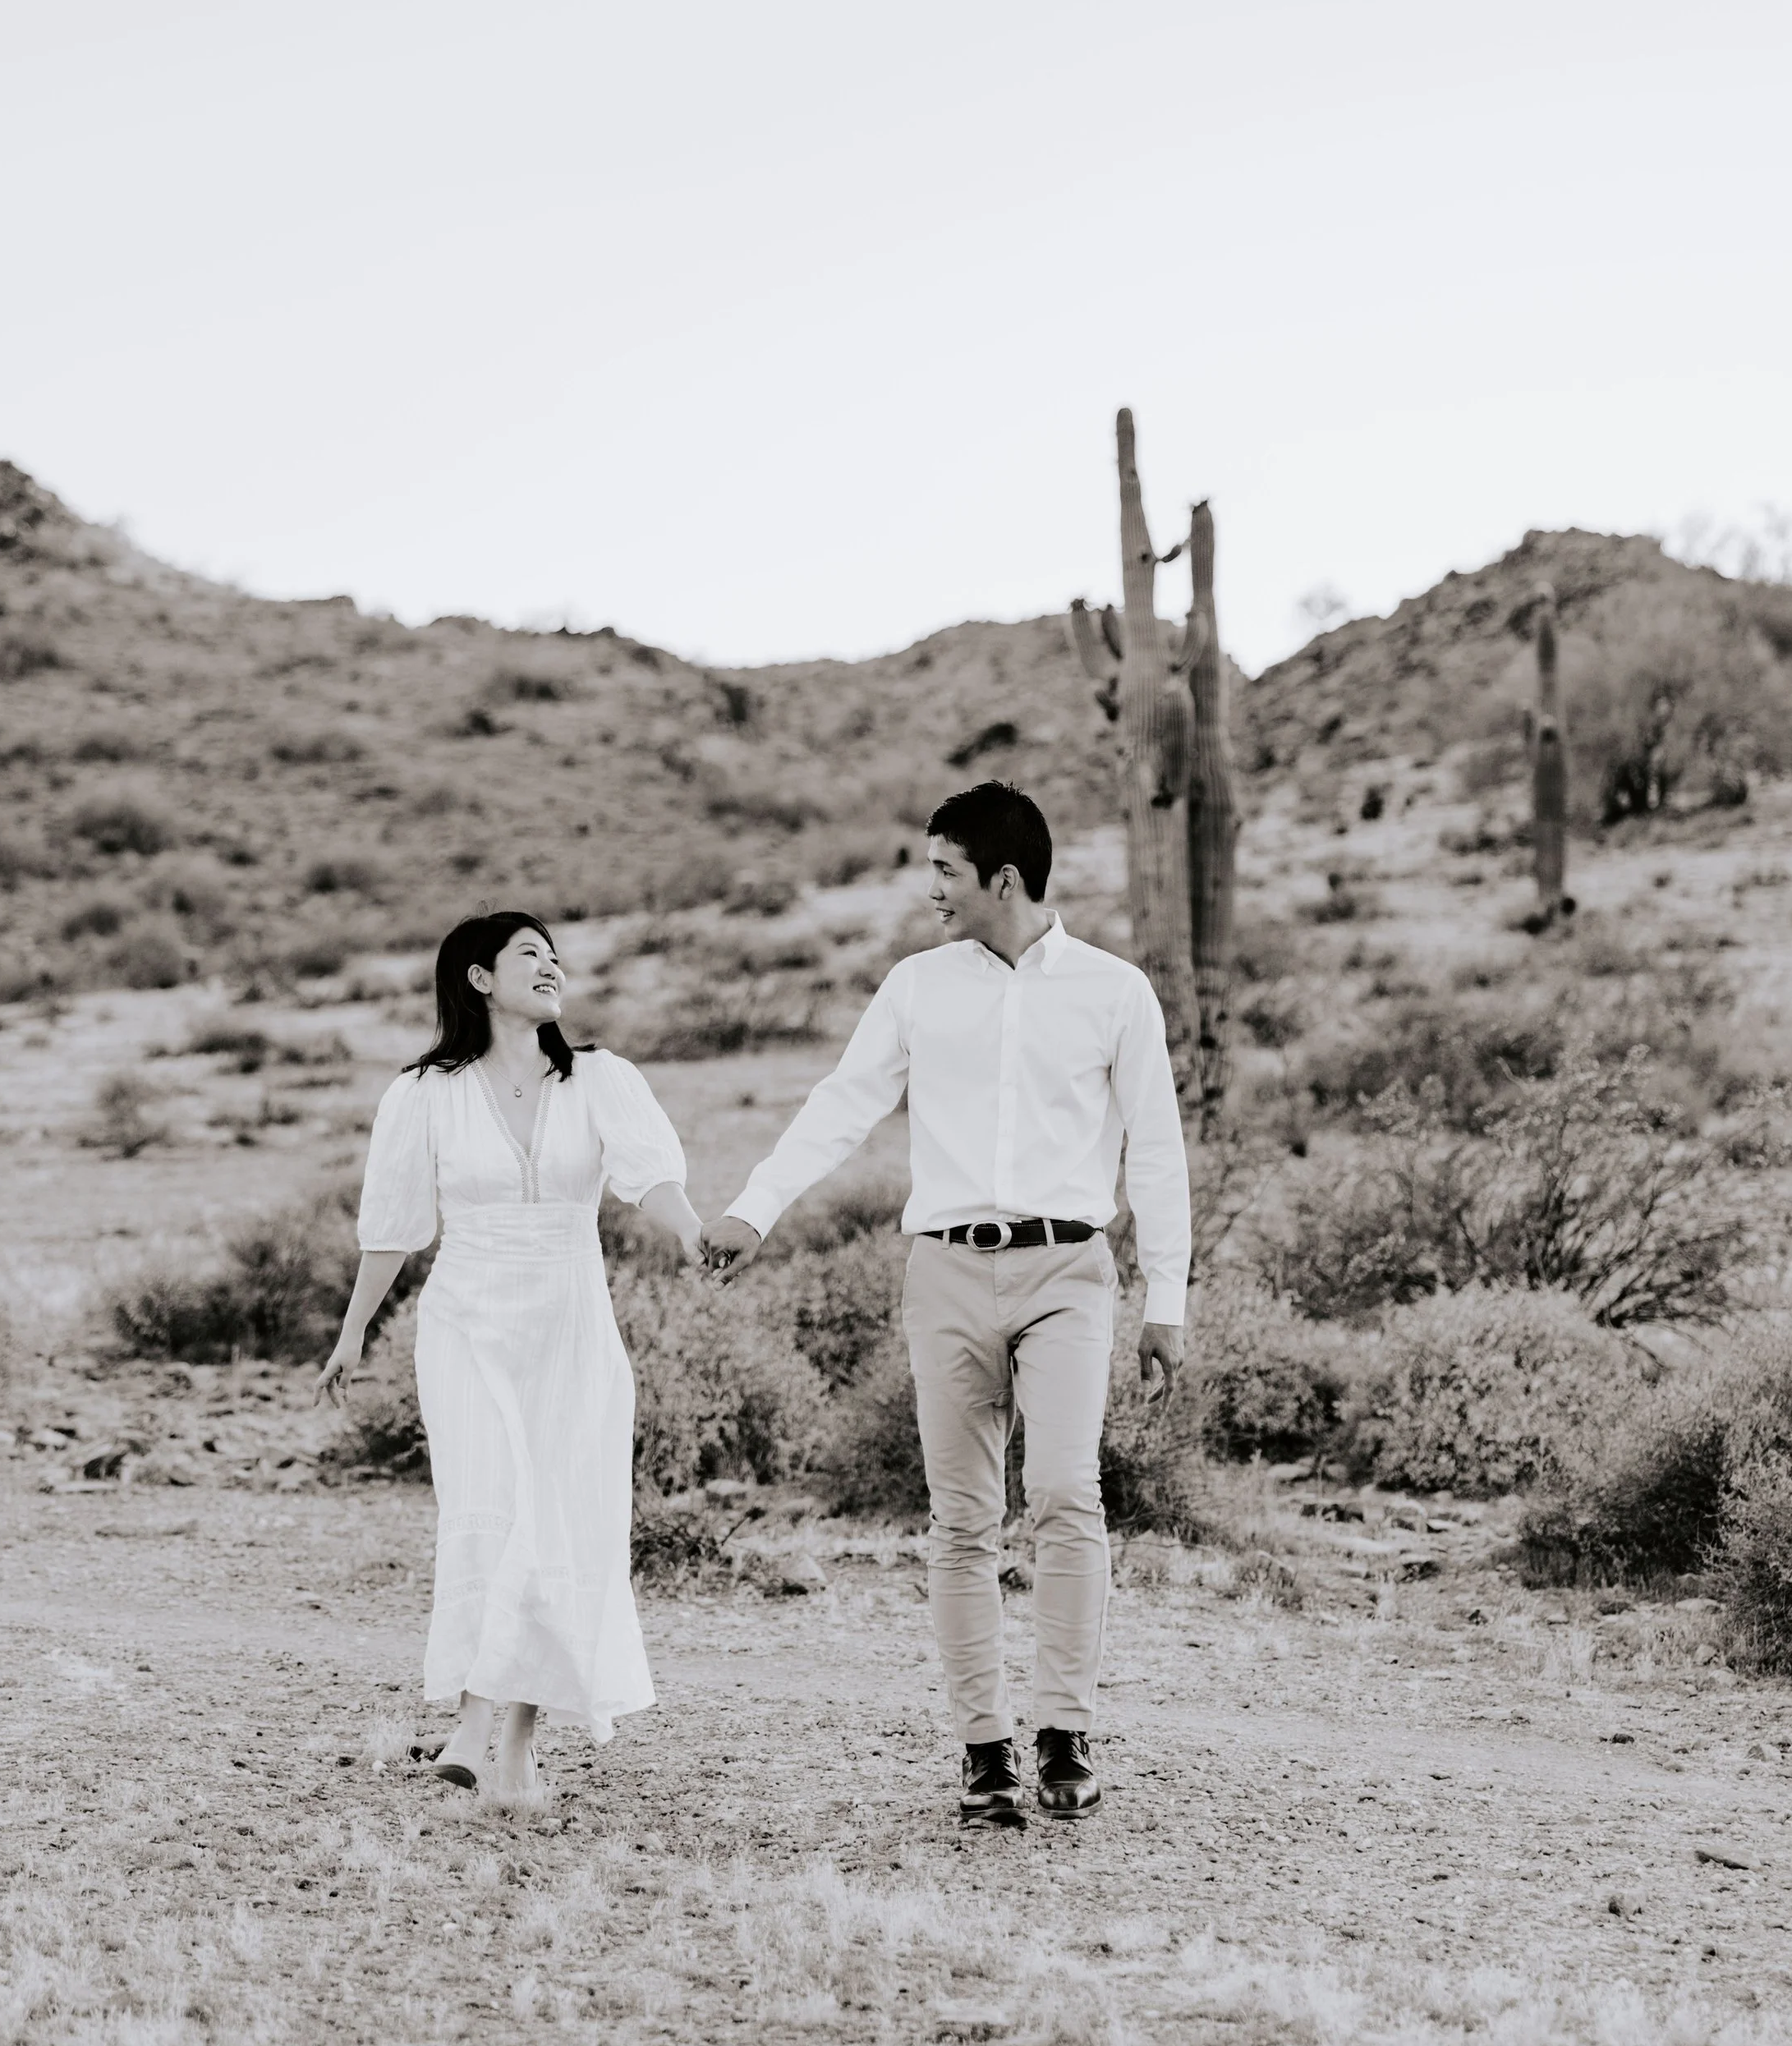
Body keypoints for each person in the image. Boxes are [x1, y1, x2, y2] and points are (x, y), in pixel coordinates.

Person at [704, 781, 1189, 1830]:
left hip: (1068, 1270)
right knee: (962, 1518)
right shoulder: (915, 987)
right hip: (946, 1270)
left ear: (1002, 880)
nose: (930, 889)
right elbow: (843, 1104)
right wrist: (755, 1208)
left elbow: (1155, 1148)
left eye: (944, 871)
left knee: (1065, 1493)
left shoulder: (1115, 992)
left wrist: (1169, 1297)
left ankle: (1063, 1732)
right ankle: (984, 1750)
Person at [315, 912, 703, 1797]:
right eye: (530, 953)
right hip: (467, 1322)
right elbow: (395, 1224)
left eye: (556, 955)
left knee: (557, 1517)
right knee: (489, 1506)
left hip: (570, 1323)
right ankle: (474, 1719)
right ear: (480, 978)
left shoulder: (600, 1078)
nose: (551, 966)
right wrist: (352, 1331)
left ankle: (515, 1742)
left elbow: (651, 1176)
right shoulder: (424, 1092)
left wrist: (691, 1235)